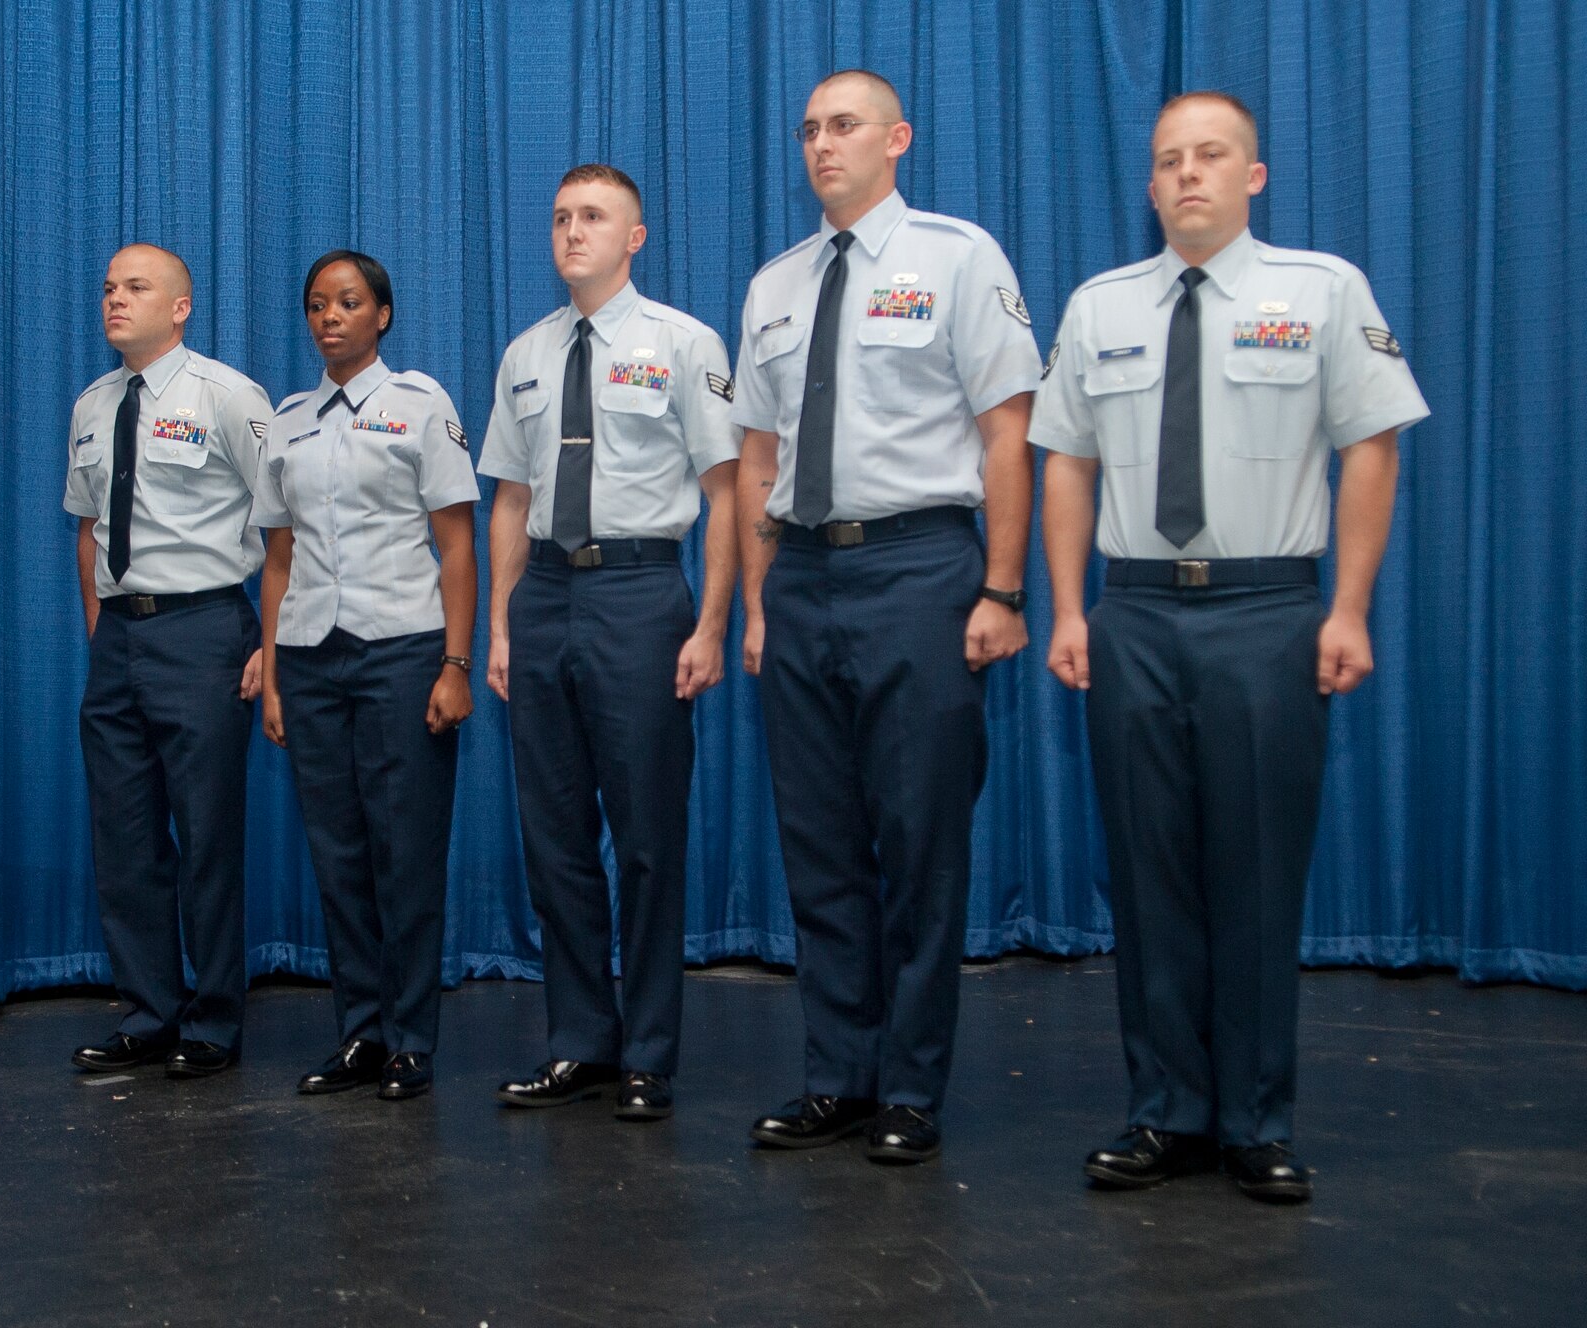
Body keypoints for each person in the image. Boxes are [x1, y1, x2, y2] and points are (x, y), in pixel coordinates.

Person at [1031, 92, 1428, 1202]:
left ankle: (1255, 1118)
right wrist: (1069, 609)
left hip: (1266, 609)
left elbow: (1370, 450)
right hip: (1136, 612)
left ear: (1252, 175)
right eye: (1168, 161)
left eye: (1210, 157)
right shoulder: (1099, 303)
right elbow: (1062, 460)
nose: (1187, 175)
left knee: (1254, 873)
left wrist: (1345, 608)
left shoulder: (1319, 291)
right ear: (1148, 185)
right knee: (1147, 872)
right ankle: (1165, 1114)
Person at [734, 70, 1041, 1163]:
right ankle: (838, 1077)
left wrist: (1002, 589)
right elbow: (757, 457)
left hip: (918, 569)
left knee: (917, 841)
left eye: (844, 125)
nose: (822, 143)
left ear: (895, 139)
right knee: (818, 844)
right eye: (808, 127)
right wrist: (760, 601)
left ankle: (909, 1087)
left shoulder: (957, 259)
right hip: (803, 576)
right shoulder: (772, 284)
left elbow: (1008, 432)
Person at [479, 164, 740, 1122]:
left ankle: (650, 1054)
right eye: (560, 218)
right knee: (554, 842)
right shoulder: (526, 354)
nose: (572, 231)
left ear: (635, 236)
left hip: (639, 594)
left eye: (593, 217)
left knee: (646, 838)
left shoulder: (683, 343)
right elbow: (509, 497)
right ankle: (580, 1043)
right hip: (545, 597)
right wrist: (500, 626)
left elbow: (726, 491)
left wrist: (711, 623)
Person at [254, 250, 479, 1101]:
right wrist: (273, 674)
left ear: (382, 313)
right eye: (317, 305)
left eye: (348, 302)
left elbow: (457, 545)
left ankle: (410, 1042)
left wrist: (455, 663)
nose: (330, 318)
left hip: (403, 649)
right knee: (338, 853)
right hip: (312, 656)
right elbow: (277, 560)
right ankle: (359, 1032)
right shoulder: (288, 418)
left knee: (405, 852)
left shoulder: (420, 405)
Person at [64, 243, 272, 1079]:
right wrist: (99, 632)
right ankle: (148, 1011)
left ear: (180, 306)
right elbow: (87, 531)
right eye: (109, 286)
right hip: (119, 637)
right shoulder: (90, 404)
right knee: (125, 837)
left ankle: (214, 1020)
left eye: (136, 287)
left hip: (205, 630)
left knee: (208, 835)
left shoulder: (227, 397)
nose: (116, 299)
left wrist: (269, 638)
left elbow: (287, 519)